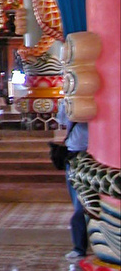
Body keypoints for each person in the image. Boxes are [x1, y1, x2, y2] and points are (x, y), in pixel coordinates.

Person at [58, 99, 89, 261]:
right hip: (74, 155)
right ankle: (79, 246)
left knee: (83, 205)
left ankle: (81, 246)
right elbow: (62, 120)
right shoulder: (71, 101)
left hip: (94, 156)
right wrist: (67, 102)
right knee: (78, 203)